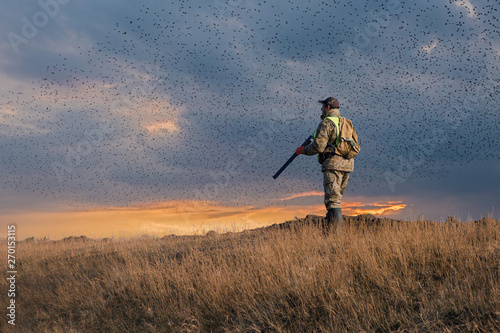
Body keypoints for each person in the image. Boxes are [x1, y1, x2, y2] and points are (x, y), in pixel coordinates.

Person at [295, 97, 354, 229]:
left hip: (333, 165)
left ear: (327, 107)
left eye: (322, 106)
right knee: (336, 198)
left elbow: (318, 147)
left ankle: (334, 236)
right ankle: (331, 229)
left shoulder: (326, 123)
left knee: (332, 200)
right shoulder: (346, 122)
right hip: (347, 165)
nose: (321, 109)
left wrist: (302, 150)